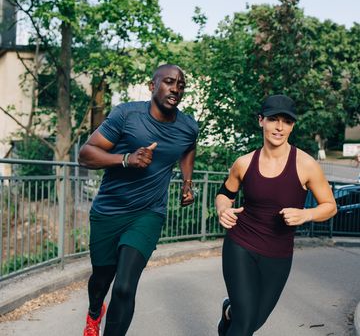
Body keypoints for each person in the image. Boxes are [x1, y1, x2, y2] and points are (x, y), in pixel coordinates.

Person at [78, 64, 198, 336]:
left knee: (124, 287)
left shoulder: (188, 126)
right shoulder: (127, 115)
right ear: (152, 85)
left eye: (181, 85)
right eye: (169, 82)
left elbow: (188, 148)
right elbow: (86, 153)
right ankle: (95, 312)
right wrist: (125, 159)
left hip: (148, 214)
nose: (175, 89)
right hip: (109, 210)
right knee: (101, 279)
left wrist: (187, 183)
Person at [215, 95, 337, 336]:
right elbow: (224, 194)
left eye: (286, 122)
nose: (279, 127)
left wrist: (306, 214)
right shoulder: (244, 163)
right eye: (273, 119)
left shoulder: (306, 164)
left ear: (292, 126)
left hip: (278, 253)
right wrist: (222, 209)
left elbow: (330, 206)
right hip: (241, 244)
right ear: (261, 121)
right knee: (246, 323)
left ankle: (229, 311)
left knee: (255, 320)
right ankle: (236, 316)